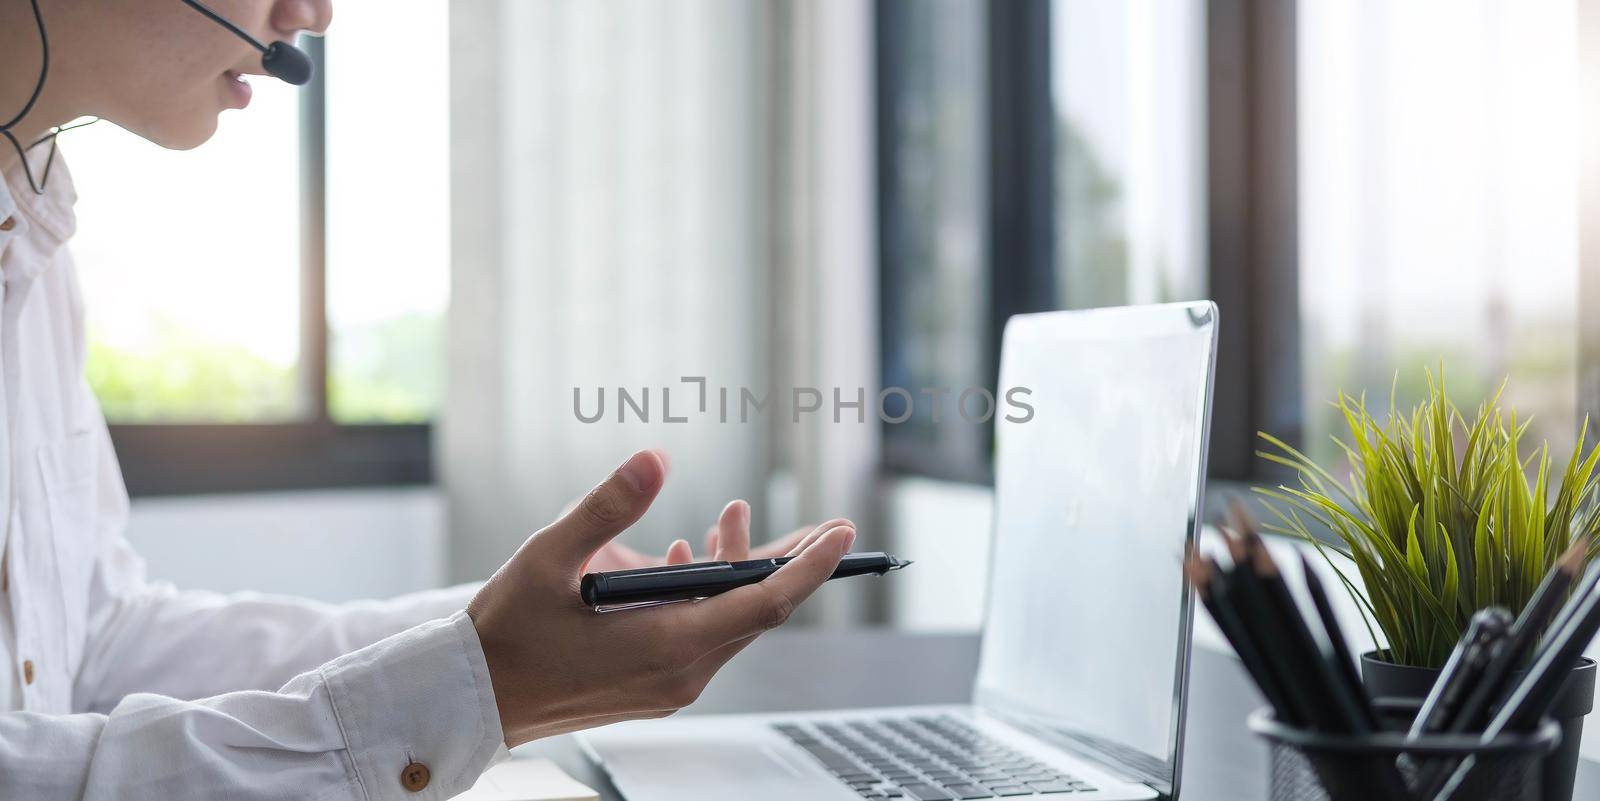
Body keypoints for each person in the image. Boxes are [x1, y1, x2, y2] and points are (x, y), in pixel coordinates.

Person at [0, 1, 855, 798]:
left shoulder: (32, 240)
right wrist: (480, 687)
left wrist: (498, 629)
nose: (312, 14)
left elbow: (98, 645)